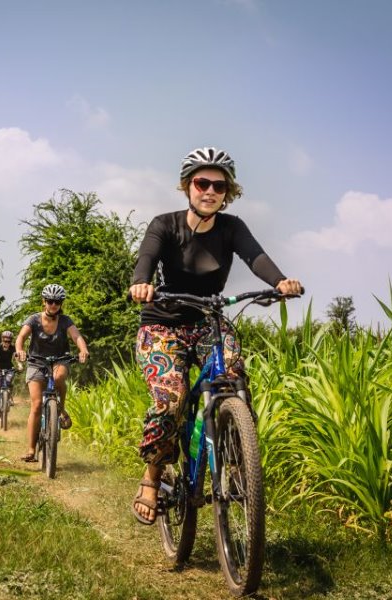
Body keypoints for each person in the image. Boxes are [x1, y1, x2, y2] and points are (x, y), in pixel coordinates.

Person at [128, 146, 303, 525]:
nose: (209, 191)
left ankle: (239, 462)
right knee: (171, 400)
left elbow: (255, 257)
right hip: (162, 326)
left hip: (208, 322)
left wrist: (280, 282)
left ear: (228, 192)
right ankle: (152, 476)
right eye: (201, 182)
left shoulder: (232, 228)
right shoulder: (164, 224)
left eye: (218, 186)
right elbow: (146, 260)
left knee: (234, 376)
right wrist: (141, 284)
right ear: (187, 186)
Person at [14, 284, 89, 462]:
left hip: (59, 360)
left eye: (57, 302)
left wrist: (83, 350)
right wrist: (20, 350)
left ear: (61, 303)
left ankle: (60, 408)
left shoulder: (65, 321)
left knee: (58, 377)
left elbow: (76, 336)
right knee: (37, 404)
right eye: (50, 301)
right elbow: (21, 337)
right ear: (44, 301)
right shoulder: (33, 319)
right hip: (36, 362)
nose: (53, 305)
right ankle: (31, 450)